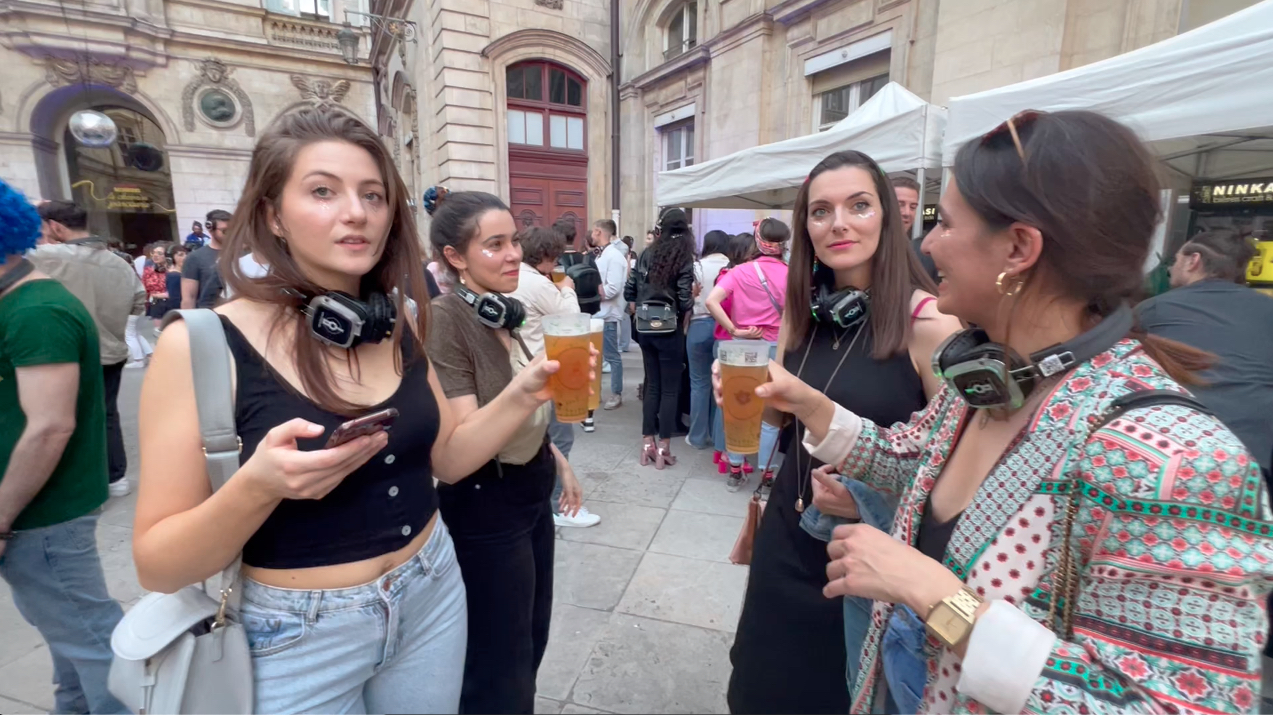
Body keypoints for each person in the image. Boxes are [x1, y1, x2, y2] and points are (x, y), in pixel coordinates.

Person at [750, 111, 1273, 714]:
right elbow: (906, 459)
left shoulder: (1176, 459)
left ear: (1019, 248)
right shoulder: (988, 384)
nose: (928, 243)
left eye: (946, 223)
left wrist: (935, 597)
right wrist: (806, 402)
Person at [134, 106, 564, 714]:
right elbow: (157, 565)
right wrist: (257, 487)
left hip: (432, 593)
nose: (357, 212)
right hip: (296, 635)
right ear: (272, 214)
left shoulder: (401, 324)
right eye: (322, 191)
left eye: (373, 194)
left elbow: (449, 458)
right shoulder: (199, 344)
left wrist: (525, 392)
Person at [725, 150, 959, 714]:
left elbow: (954, 476)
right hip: (787, 532)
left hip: (864, 560)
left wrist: (869, 499)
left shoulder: (931, 325)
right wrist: (749, 398)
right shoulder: (803, 311)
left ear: (888, 217)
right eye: (821, 211)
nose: (839, 224)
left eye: (859, 206)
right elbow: (783, 423)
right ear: (805, 227)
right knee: (758, 689)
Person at [426, 190, 586, 713]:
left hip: (530, 487)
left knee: (532, 636)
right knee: (499, 662)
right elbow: (461, 444)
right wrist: (528, 395)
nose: (514, 253)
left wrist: (557, 458)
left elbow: (517, 413)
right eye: (494, 245)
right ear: (455, 257)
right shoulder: (447, 319)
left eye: (514, 240)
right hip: (485, 503)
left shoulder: (503, 314)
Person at [0, 180, 128, 715]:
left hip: (41, 512)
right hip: (37, 510)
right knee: (66, 628)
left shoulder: (35, 310)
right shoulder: (26, 301)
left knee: (90, 635)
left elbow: (50, 426)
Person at [31, 200, 147, 498]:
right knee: (106, 414)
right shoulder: (119, 263)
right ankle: (115, 477)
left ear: (55, 227)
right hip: (111, 349)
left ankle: (83, 483)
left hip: (67, 351)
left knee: (65, 417)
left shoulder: (47, 257)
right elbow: (138, 302)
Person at [1137, 230, 1273, 476]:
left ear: (1193, 261)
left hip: (1179, 453)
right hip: (1259, 451)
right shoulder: (1268, 308)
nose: (1171, 268)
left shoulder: (1154, 309)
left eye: (1175, 260)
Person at [507, 224, 601, 528]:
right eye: (555, 257)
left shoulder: (512, 277)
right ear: (545, 255)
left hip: (518, 370)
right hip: (546, 369)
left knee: (536, 440)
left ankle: (540, 500)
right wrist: (568, 289)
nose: (558, 262)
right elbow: (571, 320)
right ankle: (559, 506)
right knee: (559, 439)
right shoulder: (538, 283)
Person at [705, 218, 792, 491]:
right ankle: (766, 476)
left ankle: (735, 469)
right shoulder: (791, 274)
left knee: (738, 408)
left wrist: (733, 328)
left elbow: (711, 301)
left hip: (740, 347)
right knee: (770, 416)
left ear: (758, 240)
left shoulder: (740, 271)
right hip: (775, 347)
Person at [625, 208, 695, 469]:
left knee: (652, 385)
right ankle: (664, 448)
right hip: (670, 329)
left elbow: (629, 291)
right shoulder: (683, 256)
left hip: (645, 326)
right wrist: (692, 299)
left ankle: (647, 445)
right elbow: (685, 299)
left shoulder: (646, 253)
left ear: (660, 228)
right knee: (670, 389)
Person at [686, 230, 730, 451]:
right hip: (725, 326)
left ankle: (697, 436)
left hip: (699, 323)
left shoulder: (697, 267)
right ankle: (717, 434)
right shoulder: (733, 267)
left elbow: (687, 298)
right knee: (720, 384)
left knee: (698, 383)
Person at [594, 218, 627, 411]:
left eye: (594, 231)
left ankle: (616, 393)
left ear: (599, 232)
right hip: (598, 314)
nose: (591, 234)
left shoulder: (614, 256)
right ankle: (595, 392)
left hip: (607, 314)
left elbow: (613, 288)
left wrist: (593, 293)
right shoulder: (603, 254)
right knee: (596, 357)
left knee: (612, 356)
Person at [182, 208, 231, 309]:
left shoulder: (244, 254)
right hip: (210, 315)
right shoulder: (195, 258)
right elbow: (189, 298)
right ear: (210, 229)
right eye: (225, 231)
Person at [895, 175, 939, 284]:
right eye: (900, 205)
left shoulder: (923, 255)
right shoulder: (866, 250)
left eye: (913, 207)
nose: (907, 213)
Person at [142, 242, 170, 329]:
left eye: (159, 253)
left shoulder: (173, 271)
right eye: (153, 253)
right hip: (155, 304)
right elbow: (144, 288)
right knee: (158, 331)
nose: (155, 255)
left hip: (171, 303)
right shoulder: (148, 271)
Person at [619, 235, 636, 352]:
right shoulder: (626, 257)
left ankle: (624, 343)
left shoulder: (627, 259)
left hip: (624, 287)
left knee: (624, 315)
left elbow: (628, 274)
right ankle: (624, 343)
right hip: (625, 287)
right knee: (625, 315)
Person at [162, 243, 187, 318]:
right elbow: (175, 299)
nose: (185, 257)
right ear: (172, 258)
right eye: (180, 255)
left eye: (186, 254)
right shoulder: (174, 275)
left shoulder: (184, 273)